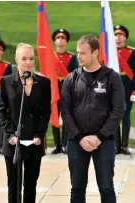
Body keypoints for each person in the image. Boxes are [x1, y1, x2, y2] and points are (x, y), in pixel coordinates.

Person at [61, 35, 125, 203]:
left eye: (83, 53)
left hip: (104, 141)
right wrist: (79, 138)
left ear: (95, 52)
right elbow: (65, 112)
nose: (79, 57)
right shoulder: (71, 78)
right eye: (77, 52)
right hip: (77, 141)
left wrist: (99, 137)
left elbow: (117, 111)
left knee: (106, 188)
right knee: (77, 188)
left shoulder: (112, 77)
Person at [0, 43, 51, 203]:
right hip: (13, 141)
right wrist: (10, 134)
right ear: (16, 60)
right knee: (13, 184)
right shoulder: (6, 82)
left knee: (30, 185)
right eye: (24, 59)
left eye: (31, 59)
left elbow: (45, 112)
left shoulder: (43, 83)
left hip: (34, 141)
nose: (28, 62)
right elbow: (1, 111)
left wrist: (39, 134)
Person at [51, 28, 78, 154]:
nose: (60, 40)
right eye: (58, 38)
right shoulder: (50, 56)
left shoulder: (71, 58)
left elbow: (75, 76)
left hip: (66, 90)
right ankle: (57, 145)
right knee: (54, 117)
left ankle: (65, 144)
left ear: (66, 41)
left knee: (67, 117)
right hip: (53, 90)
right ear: (55, 41)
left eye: (63, 38)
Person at [114, 25, 135, 155]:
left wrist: (134, 91)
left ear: (125, 37)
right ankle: (116, 146)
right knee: (114, 116)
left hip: (127, 87)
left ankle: (125, 145)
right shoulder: (108, 51)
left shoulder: (132, 52)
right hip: (113, 88)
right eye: (116, 35)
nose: (118, 37)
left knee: (125, 115)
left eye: (121, 35)